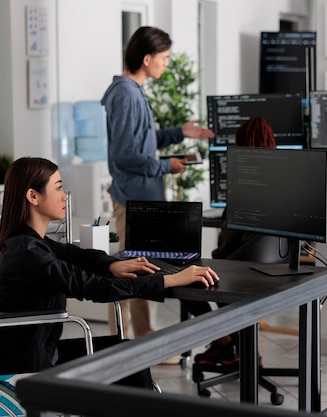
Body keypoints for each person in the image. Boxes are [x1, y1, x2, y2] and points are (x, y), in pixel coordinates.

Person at [0, 157, 219, 387]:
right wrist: (170, 279)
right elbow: (96, 287)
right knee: (130, 356)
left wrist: (112, 265)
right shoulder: (28, 252)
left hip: (42, 350)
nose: (64, 196)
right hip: (33, 361)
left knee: (129, 351)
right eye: (58, 188)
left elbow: (77, 255)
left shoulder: (32, 243)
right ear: (33, 196)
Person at [100, 26, 215, 342]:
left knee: (142, 270)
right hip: (132, 199)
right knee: (125, 273)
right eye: (163, 58)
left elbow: (142, 142)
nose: (166, 63)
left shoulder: (133, 90)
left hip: (143, 201)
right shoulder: (124, 93)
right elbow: (125, 155)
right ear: (147, 58)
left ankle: (142, 340)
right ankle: (120, 346)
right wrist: (167, 165)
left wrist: (179, 133)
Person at [187, 117, 277, 366]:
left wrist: (215, 261)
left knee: (185, 278)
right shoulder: (284, 181)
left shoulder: (244, 183)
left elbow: (225, 248)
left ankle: (224, 344)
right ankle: (239, 347)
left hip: (239, 273)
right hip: (275, 272)